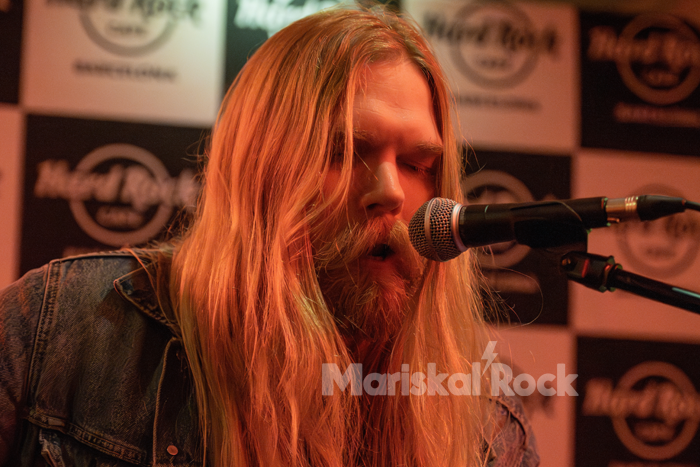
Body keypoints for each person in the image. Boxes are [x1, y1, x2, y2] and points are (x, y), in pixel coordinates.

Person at [0, 5, 538, 467]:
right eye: (342, 153)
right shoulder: (58, 326)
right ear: (260, 167)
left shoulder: (487, 426)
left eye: (418, 164)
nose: (391, 192)